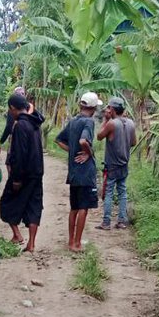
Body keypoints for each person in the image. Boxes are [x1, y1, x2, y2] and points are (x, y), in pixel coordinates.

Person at [0, 91, 45, 254]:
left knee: (6, 202)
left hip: (23, 175)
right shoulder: (35, 123)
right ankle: (31, 244)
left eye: (9, 109)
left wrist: (16, 179)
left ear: (12, 108)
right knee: (34, 206)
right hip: (37, 173)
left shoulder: (20, 126)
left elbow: (19, 154)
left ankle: (17, 235)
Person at [56, 92, 101, 252]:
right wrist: (87, 152)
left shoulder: (73, 121)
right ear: (94, 107)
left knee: (74, 207)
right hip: (85, 172)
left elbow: (59, 140)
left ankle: (71, 241)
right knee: (84, 207)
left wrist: (72, 151)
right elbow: (83, 140)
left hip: (73, 172)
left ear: (81, 105)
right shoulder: (89, 122)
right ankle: (77, 243)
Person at [96, 96, 137, 230]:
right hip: (124, 164)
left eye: (109, 108)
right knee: (122, 192)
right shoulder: (130, 123)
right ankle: (121, 221)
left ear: (112, 109)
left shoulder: (112, 123)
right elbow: (133, 142)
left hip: (112, 165)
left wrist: (105, 119)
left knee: (108, 192)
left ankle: (106, 222)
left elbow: (99, 136)